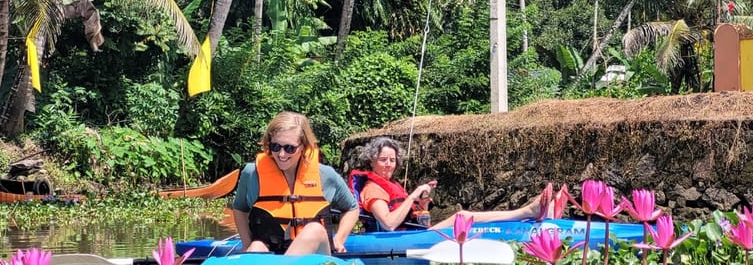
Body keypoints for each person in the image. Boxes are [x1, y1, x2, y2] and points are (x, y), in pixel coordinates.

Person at [349, 136, 543, 232]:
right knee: (462, 216)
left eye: (392, 160)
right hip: (401, 240)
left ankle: (538, 212)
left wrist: (421, 205)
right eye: (383, 160)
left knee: (463, 217)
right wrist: (413, 195)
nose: (389, 165)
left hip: (414, 234)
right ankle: (527, 212)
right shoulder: (372, 188)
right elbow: (389, 224)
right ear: (372, 161)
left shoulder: (390, 184)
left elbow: (405, 215)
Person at [232, 111, 360, 255]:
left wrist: (339, 239)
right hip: (272, 254)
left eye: (289, 148)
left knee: (314, 230)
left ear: (303, 147)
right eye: (275, 147)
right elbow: (239, 208)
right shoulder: (251, 174)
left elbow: (352, 208)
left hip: (315, 257)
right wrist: (246, 243)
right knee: (256, 246)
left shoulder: (326, 175)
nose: (281, 154)